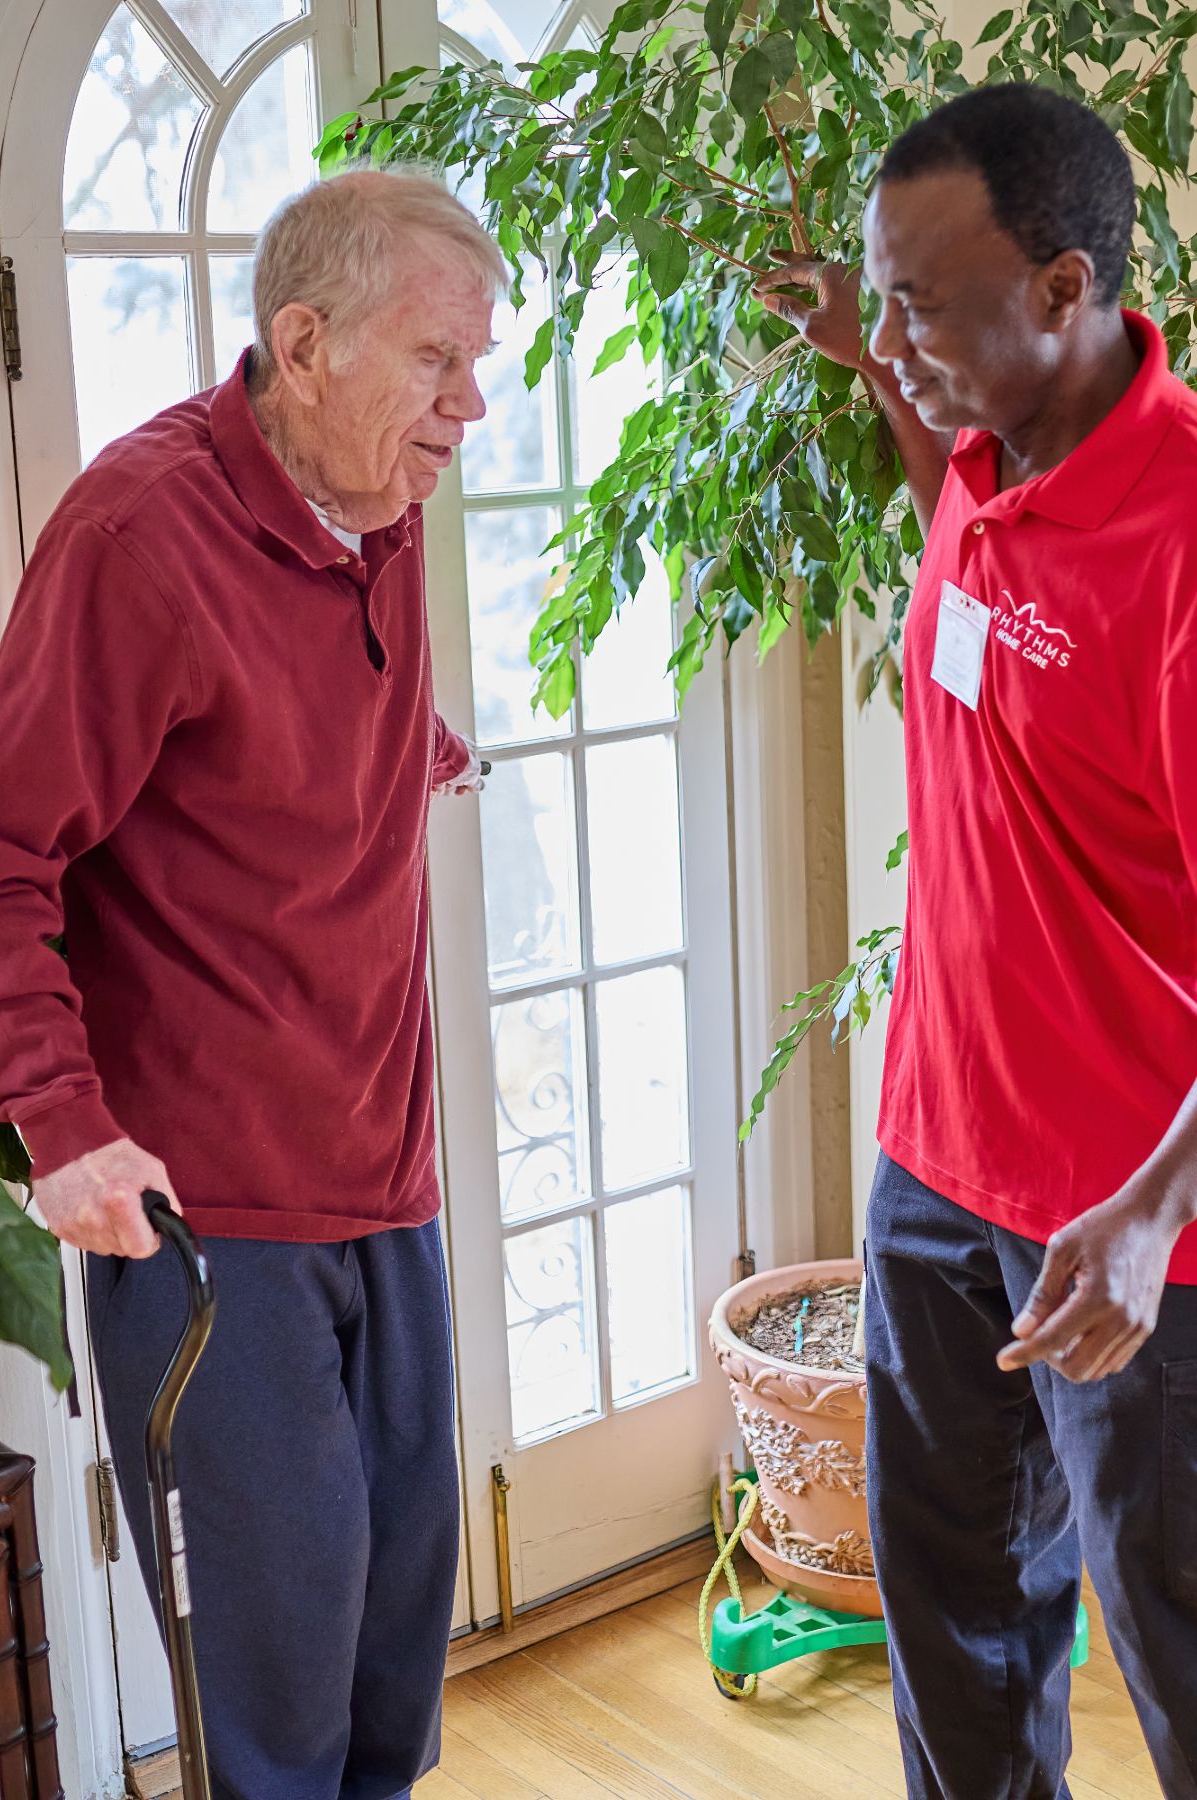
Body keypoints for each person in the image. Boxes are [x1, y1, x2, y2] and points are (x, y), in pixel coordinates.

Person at [0, 167, 503, 1800]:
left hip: (389, 1185)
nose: (468, 407)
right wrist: (57, 1120)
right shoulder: (136, 541)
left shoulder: (380, 503)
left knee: (390, 1686)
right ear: (304, 342)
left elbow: (267, 720)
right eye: (437, 361)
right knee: (274, 1731)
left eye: (479, 361)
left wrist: (407, 745)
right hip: (214, 1238)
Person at [756, 84, 1197, 1798]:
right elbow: (952, 474)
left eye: (922, 304)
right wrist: (872, 361)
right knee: (954, 1631)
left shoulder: (1178, 546)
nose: (900, 336)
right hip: (937, 1166)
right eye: (886, 297)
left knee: (1173, 1653)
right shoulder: (990, 458)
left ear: (1068, 289)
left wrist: (1155, 1211)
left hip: (1132, 1229)